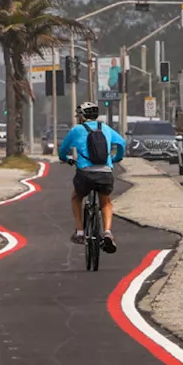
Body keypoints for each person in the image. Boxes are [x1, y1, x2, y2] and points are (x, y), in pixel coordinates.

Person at [58, 102, 126, 253]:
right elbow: (121, 143)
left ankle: (80, 231)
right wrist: (115, 159)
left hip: (85, 173)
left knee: (76, 197)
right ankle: (107, 232)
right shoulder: (106, 128)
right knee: (106, 202)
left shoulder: (77, 130)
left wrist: (66, 158)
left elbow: (62, 150)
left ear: (82, 116)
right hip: (105, 172)